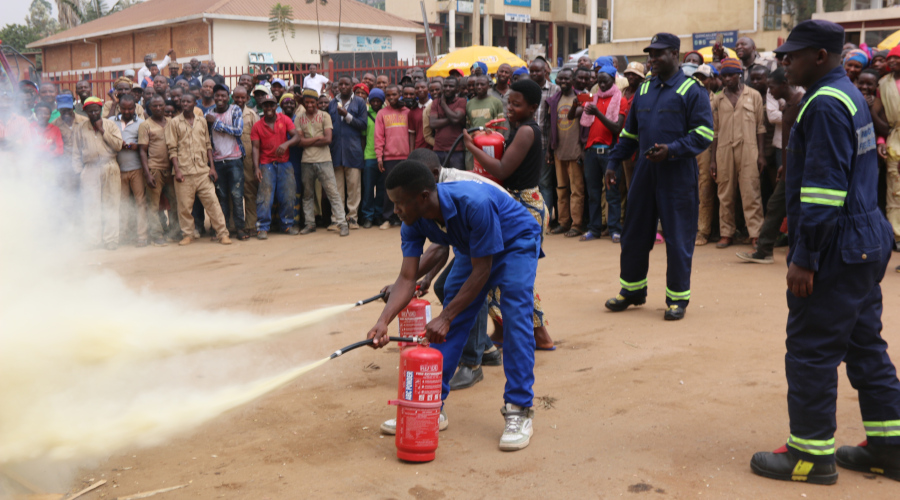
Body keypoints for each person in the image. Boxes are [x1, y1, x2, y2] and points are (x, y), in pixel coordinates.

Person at [750, 19, 900, 485]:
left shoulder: (824, 104)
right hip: (864, 240)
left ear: (820, 56)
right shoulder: (846, 95)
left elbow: (821, 193)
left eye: (793, 55)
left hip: (837, 246)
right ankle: (889, 448)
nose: (784, 61)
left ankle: (811, 455)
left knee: (812, 349)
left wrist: (805, 258)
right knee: (863, 345)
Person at [367, 160, 542, 451]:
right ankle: (432, 406)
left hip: (515, 242)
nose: (395, 210)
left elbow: (482, 272)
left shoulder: (474, 203)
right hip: (474, 249)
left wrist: (446, 316)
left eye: (399, 204)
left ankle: (519, 410)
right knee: (451, 321)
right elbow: (408, 277)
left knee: (514, 314)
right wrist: (383, 321)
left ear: (423, 197)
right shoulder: (412, 220)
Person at [603, 33, 714, 321]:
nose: (651, 59)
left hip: (677, 173)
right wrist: (613, 162)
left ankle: (677, 299)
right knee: (634, 234)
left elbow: (704, 134)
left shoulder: (692, 90)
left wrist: (673, 150)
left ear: (675, 54)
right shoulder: (643, 90)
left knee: (678, 238)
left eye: (658, 54)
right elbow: (629, 134)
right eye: (650, 54)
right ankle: (632, 291)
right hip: (644, 171)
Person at [462, 78, 555, 350]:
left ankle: (540, 335)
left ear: (533, 107)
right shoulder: (519, 129)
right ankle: (502, 330)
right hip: (516, 205)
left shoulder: (527, 131)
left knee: (513, 275)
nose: (510, 107)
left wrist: (472, 147)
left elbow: (502, 170)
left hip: (525, 209)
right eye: (508, 102)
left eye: (517, 104)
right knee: (495, 272)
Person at [737, 67, 805, 264]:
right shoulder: (789, 104)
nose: (770, 91)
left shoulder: (801, 104)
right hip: (789, 168)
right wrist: (784, 164)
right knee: (778, 207)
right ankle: (765, 250)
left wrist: (791, 165)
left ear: (784, 85)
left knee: (788, 209)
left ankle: (778, 251)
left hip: (798, 170)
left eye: (772, 87)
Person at [709, 58, 767, 249]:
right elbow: (715, 131)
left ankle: (755, 234)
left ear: (739, 74)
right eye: (723, 76)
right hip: (724, 149)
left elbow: (760, 127)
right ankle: (727, 233)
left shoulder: (754, 96)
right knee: (725, 193)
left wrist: (761, 155)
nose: (727, 79)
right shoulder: (717, 99)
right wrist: (713, 160)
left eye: (730, 75)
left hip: (749, 148)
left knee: (751, 191)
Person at [165, 93, 232, 246]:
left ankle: (223, 233)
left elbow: (208, 145)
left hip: (202, 171)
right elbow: (172, 149)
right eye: (183, 101)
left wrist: (212, 168)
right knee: (184, 207)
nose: (185, 104)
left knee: (213, 204)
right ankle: (188, 234)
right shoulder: (174, 123)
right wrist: (177, 170)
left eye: (188, 101)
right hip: (184, 171)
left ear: (195, 103)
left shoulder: (201, 121)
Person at [578, 65, 626, 242]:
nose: (602, 85)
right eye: (599, 82)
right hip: (591, 151)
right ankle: (594, 229)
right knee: (593, 192)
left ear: (613, 80)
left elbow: (616, 127)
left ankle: (614, 229)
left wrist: (597, 112)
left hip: (610, 152)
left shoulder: (620, 99)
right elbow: (575, 115)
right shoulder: (593, 98)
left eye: (605, 81)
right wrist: (579, 105)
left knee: (612, 192)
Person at [72, 97, 124, 250]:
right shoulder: (80, 128)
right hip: (90, 169)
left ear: (101, 110)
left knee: (111, 204)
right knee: (91, 206)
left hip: (110, 167)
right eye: (90, 111)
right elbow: (76, 153)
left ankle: (111, 239)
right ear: (86, 112)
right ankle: (93, 240)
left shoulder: (110, 124)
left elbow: (118, 145)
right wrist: (79, 173)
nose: (94, 113)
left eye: (96, 110)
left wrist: (102, 130)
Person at [296, 90, 348, 236]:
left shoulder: (324, 116)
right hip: (306, 161)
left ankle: (342, 224)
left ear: (317, 103)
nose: (310, 105)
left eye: (313, 102)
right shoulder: (299, 118)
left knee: (333, 193)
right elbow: (300, 142)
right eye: (307, 102)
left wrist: (308, 141)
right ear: (304, 103)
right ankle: (309, 223)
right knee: (308, 194)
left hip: (324, 159)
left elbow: (328, 139)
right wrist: (317, 139)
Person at [249, 95, 299, 238]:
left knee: (288, 195)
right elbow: (255, 148)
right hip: (266, 164)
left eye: (271, 105)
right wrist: (256, 168)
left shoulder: (285, 119)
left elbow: (297, 137)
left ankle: (287, 225)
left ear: (276, 106)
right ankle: (262, 227)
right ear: (262, 107)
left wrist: (286, 144)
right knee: (265, 197)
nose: (269, 108)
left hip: (284, 163)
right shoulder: (257, 126)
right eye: (266, 105)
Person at [206, 83, 247, 240]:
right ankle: (223, 230)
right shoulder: (209, 113)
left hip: (234, 159)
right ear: (214, 97)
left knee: (237, 195)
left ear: (228, 96)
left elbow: (238, 130)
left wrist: (216, 123)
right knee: (221, 197)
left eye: (223, 95)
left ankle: (240, 229)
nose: (220, 98)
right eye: (217, 95)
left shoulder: (234, 110)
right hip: (217, 161)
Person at [547, 68, 585, 237]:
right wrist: (549, 150)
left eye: (567, 79)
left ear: (573, 80)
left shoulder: (580, 99)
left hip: (575, 151)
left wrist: (583, 150)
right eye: (560, 79)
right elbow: (550, 128)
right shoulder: (555, 100)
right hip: (559, 152)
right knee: (561, 189)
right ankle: (563, 222)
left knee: (576, 190)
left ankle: (577, 224)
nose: (563, 82)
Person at [327, 76, 368, 230]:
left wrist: (347, 115)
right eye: (340, 84)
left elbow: (363, 125)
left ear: (352, 86)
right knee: (336, 188)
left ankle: (352, 218)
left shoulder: (359, 102)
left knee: (353, 187)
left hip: (353, 150)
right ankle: (337, 219)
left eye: (346, 84)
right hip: (336, 150)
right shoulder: (332, 103)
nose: (343, 86)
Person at [138, 94, 178, 246]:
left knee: (174, 203)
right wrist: (147, 173)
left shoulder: (171, 122)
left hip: (172, 169)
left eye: (161, 105)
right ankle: (156, 234)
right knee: (153, 205)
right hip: (155, 169)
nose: (158, 108)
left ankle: (174, 232)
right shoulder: (145, 125)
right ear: (150, 107)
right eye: (155, 106)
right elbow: (142, 150)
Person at [113, 94, 148, 247]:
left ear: (135, 107)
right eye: (124, 108)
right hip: (118, 170)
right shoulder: (110, 122)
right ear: (119, 107)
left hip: (137, 169)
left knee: (141, 203)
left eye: (130, 108)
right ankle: (123, 235)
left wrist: (137, 146)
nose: (127, 111)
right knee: (122, 204)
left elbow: (147, 144)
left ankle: (142, 236)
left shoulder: (141, 123)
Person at [529, 56, 560, 228]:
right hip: (528, 145)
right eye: (531, 71)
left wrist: (549, 149)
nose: (534, 73)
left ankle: (545, 219)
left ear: (545, 71)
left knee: (545, 183)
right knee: (533, 184)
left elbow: (553, 121)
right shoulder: (528, 90)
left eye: (537, 71)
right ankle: (534, 217)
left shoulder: (555, 90)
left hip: (545, 144)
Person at [376, 84, 412, 229]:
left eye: (394, 95)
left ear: (400, 94)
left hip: (406, 156)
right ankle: (388, 218)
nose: (391, 98)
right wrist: (379, 157)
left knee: (406, 188)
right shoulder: (382, 113)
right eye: (388, 95)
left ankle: (407, 217)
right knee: (389, 189)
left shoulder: (408, 112)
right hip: (389, 157)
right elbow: (379, 137)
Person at [360, 86, 384, 229]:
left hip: (383, 157)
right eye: (373, 101)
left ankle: (378, 215)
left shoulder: (385, 114)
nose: (375, 103)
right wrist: (363, 155)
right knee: (368, 189)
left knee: (381, 189)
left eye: (378, 101)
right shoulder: (366, 115)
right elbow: (363, 138)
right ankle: (367, 216)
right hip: (369, 156)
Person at [430, 78, 466, 171]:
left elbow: (456, 119)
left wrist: (443, 104)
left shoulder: (461, 101)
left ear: (457, 89)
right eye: (445, 86)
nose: (448, 88)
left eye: (451, 86)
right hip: (438, 150)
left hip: (456, 150)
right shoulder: (435, 102)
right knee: (439, 180)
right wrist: (453, 117)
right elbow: (433, 123)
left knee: (456, 181)